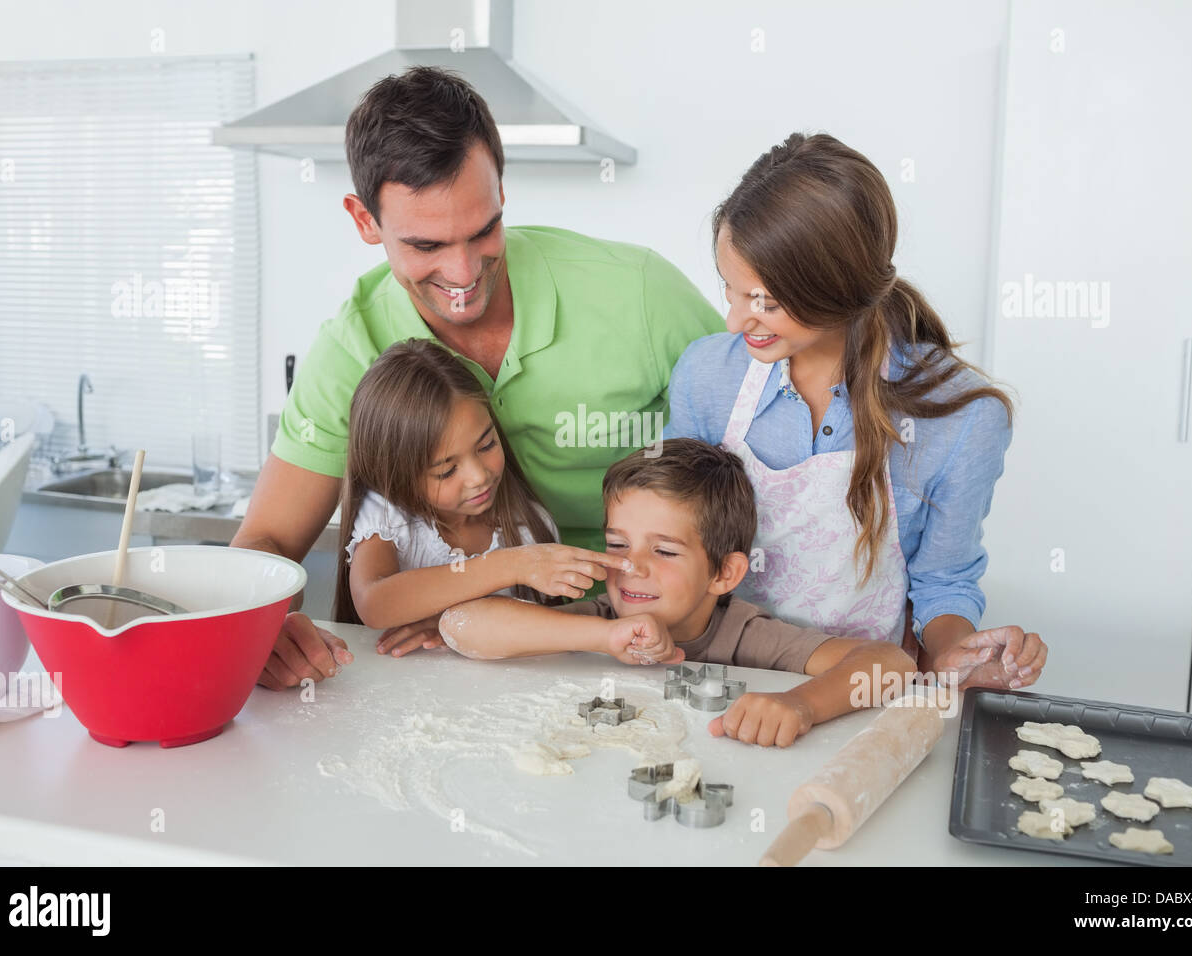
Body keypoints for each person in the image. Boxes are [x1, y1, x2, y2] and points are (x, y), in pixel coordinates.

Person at [231, 67, 724, 690]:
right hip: (468, 659)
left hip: (664, 643)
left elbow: (756, 450)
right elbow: (269, 539)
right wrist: (258, 618)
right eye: (426, 245)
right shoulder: (349, 349)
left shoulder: (641, 294)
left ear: (501, 189)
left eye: (483, 230)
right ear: (365, 221)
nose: (463, 273)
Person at [664, 132, 1047, 691]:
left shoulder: (962, 420)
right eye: (731, 291)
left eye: (764, 301)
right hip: (714, 679)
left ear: (836, 290)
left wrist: (956, 656)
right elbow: (673, 537)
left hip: (860, 691)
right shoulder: (707, 375)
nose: (734, 322)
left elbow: (942, 581)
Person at [439, 439, 916, 748]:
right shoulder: (601, 619)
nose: (632, 567)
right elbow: (460, 625)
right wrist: (602, 638)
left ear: (724, 574)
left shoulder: (743, 632)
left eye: (665, 551)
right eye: (617, 545)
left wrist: (800, 704)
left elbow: (892, 665)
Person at [334, 338, 631, 656]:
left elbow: (549, 638)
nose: (479, 476)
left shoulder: (527, 526)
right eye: (446, 471)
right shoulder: (388, 516)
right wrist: (512, 565)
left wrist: (452, 624)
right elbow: (376, 603)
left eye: (487, 445)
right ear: (395, 476)